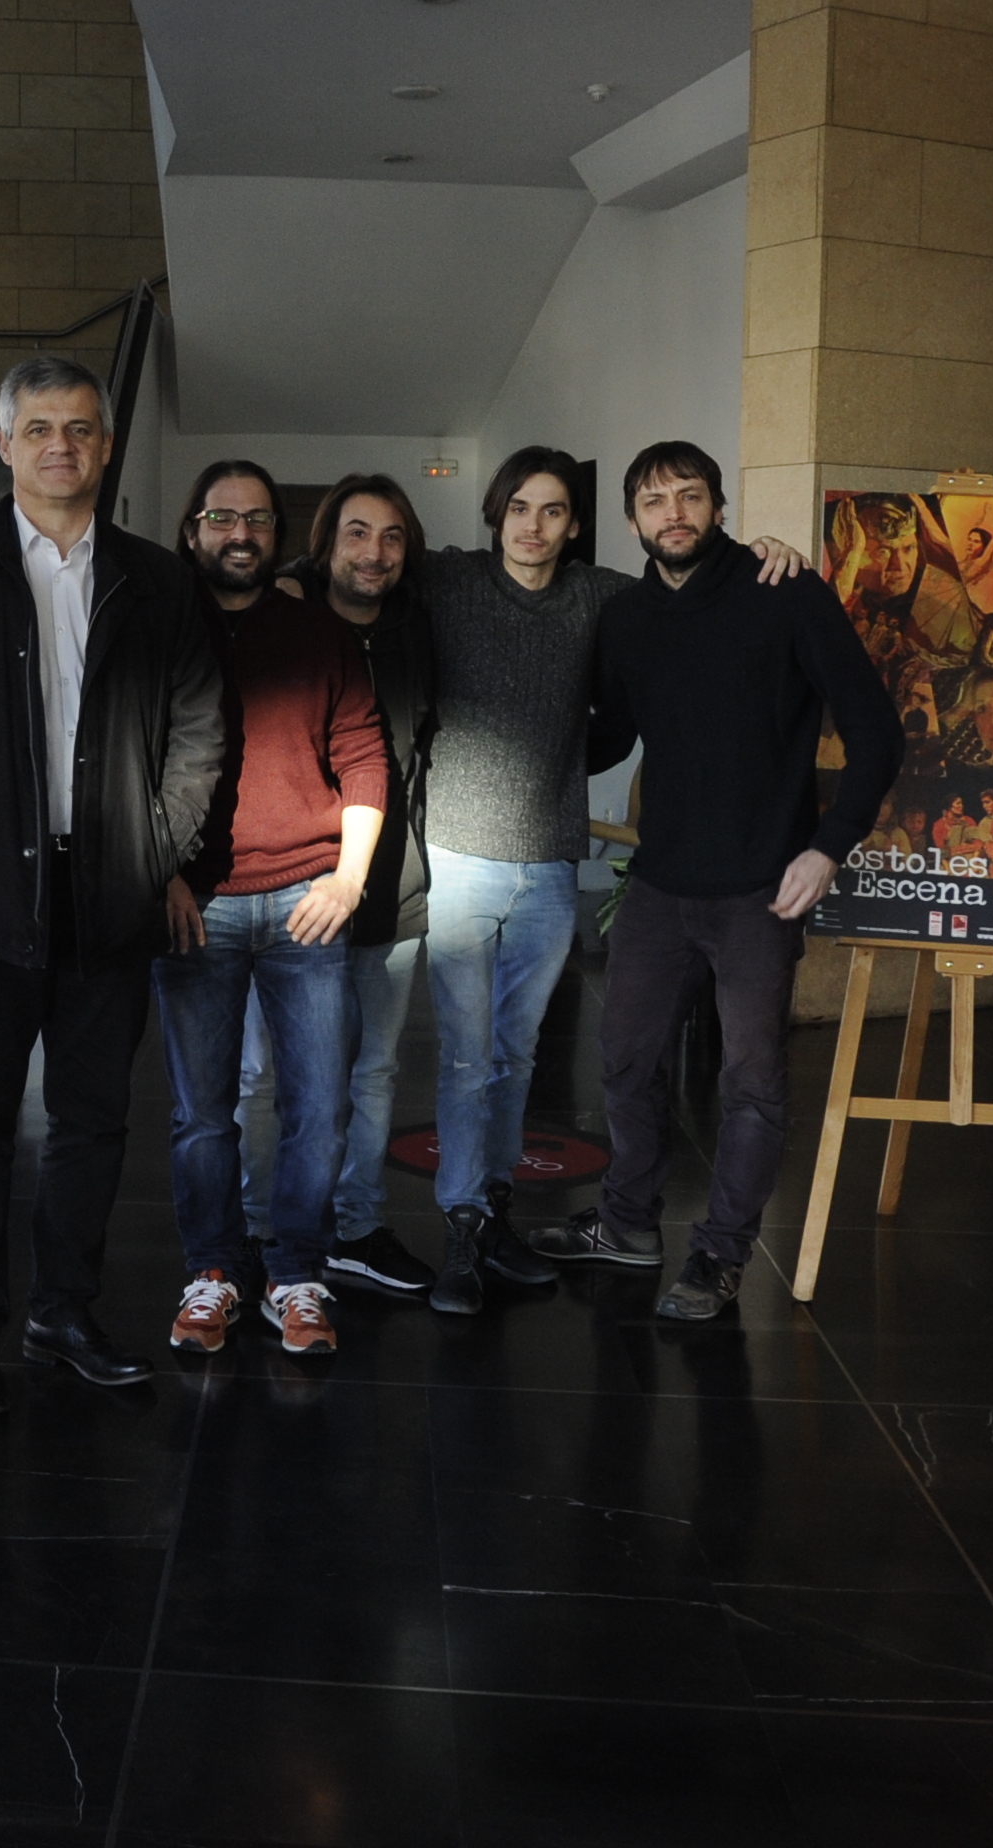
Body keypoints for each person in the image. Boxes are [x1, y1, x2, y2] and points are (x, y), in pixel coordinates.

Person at [388, 448, 808, 1310]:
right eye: (518, 509)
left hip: (551, 862)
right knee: (467, 1057)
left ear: (576, 524)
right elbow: (358, 562)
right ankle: (463, 1225)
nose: (532, 526)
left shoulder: (602, 596)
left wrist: (768, 553)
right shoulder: (450, 581)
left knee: (517, 1054)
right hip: (461, 857)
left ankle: (495, 1214)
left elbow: (689, 579)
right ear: (496, 514)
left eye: (551, 511)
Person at [0, 355, 221, 1414]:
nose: (60, 446)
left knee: (92, 1121)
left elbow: (200, 728)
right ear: (4, 444)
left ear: (107, 446)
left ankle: (64, 1313)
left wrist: (158, 848)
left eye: (79, 428)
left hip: (110, 895)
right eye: (38, 428)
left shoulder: (156, 579)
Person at [579, 441, 903, 1321]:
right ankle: (627, 1224)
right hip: (659, 882)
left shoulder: (783, 590)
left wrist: (827, 847)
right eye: (654, 501)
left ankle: (721, 1255)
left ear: (719, 507)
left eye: (690, 496)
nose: (674, 513)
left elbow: (877, 732)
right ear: (632, 520)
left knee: (751, 1083)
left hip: (762, 887)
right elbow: (610, 735)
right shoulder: (627, 616)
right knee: (625, 1060)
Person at [157, 461, 385, 1358]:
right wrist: (160, 874)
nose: (240, 533)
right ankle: (213, 1271)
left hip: (305, 903)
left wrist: (350, 879)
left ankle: (296, 1274)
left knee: (319, 1107)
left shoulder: (319, 632)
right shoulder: (159, 626)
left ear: (277, 537)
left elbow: (364, 755)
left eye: (256, 519)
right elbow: (128, 759)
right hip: (196, 904)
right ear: (193, 529)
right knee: (201, 1113)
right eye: (222, 518)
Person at [236, 475, 438, 1304]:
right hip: (292, 894)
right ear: (325, 545)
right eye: (357, 533)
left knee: (374, 1072)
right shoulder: (282, 618)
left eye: (391, 537)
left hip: (391, 888)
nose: (374, 552)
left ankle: (353, 1228)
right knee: (262, 1076)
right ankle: (258, 1230)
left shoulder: (421, 627)